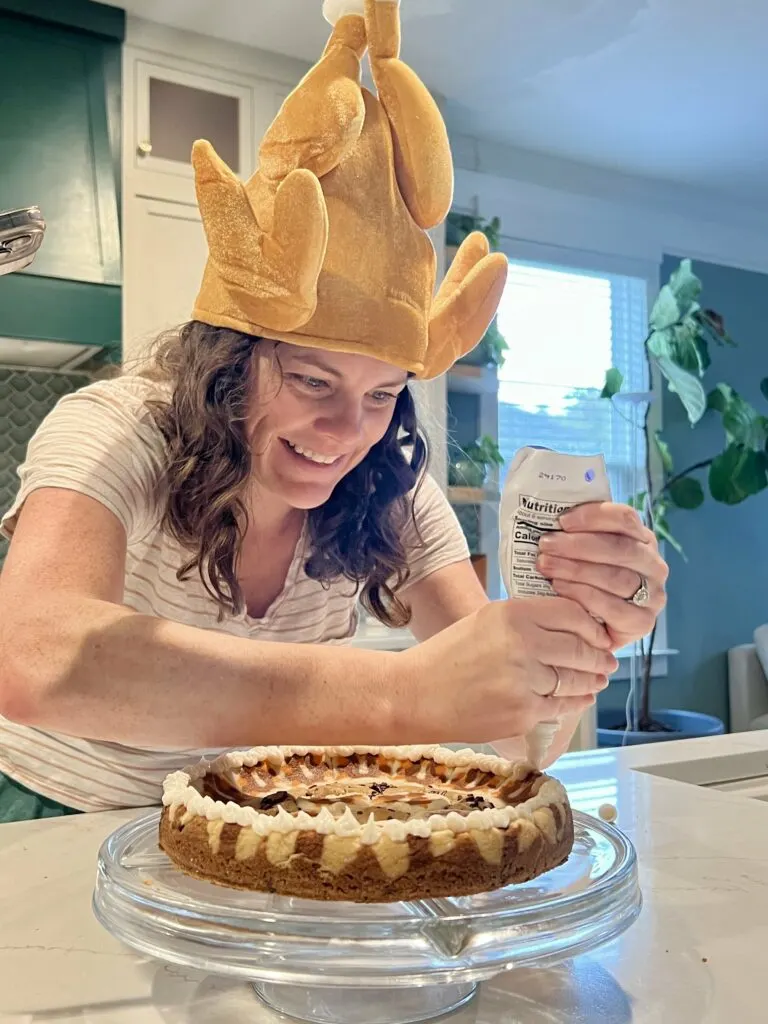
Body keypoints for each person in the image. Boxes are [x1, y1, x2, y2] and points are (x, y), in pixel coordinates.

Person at [0, 0, 667, 822]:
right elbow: (35, 658)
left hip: (264, 822)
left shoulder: (390, 478)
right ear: (226, 367)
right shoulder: (119, 426)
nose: (348, 431)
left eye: (383, 394)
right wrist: (399, 695)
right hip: (54, 812)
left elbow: (524, 743)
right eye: (313, 382)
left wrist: (581, 621)